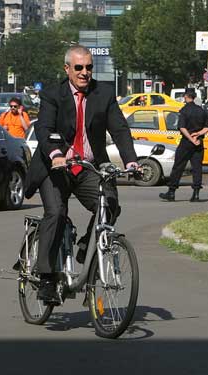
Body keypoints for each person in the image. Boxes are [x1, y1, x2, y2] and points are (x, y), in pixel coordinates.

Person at [24, 45, 138, 304]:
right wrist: (56, 154)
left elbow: (119, 129)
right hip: (56, 167)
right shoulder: (53, 94)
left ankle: (88, 250)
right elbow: (45, 129)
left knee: (109, 203)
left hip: (88, 166)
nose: (85, 72)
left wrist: (131, 161)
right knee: (56, 213)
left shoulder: (104, 94)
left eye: (88, 67)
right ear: (67, 69)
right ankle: (47, 278)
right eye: (79, 68)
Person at [159, 87, 208, 202]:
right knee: (197, 168)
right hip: (198, 143)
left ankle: (171, 192)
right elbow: (207, 128)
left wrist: (191, 139)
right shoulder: (202, 111)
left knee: (178, 166)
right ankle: (196, 194)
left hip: (187, 142)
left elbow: (182, 128)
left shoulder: (184, 111)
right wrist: (197, 134)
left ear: (186, 97)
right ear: (194, 97)